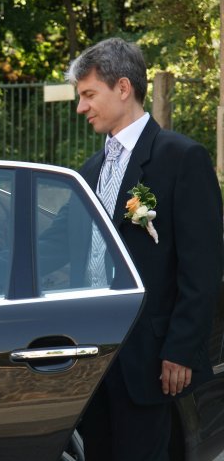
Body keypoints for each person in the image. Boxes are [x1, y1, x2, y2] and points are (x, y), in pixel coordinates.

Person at [64, 37, 223, 460]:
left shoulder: (181, 158)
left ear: (122, 88)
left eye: (88, 94)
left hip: (151, 360)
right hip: (94, 359)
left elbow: (202, 267)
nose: (81, 107)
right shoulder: (89, 171)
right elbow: (56, 243)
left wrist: (180, 350)